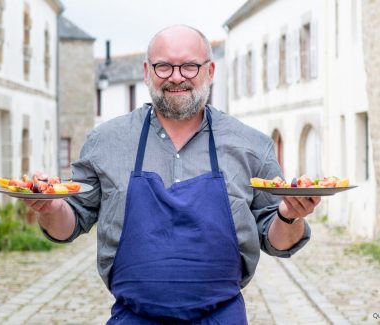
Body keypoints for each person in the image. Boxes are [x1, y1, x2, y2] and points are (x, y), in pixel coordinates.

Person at [26, 25, 321, 324]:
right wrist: (51, 207)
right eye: (163, 66)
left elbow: (279, 242)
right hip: (133, 317)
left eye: (190, 66)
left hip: (221, 317)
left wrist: (288, 215)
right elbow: (68, 225)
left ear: (210, 70)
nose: (177, 76)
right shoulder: (104, 142)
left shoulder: (252, 146)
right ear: (146, 71)